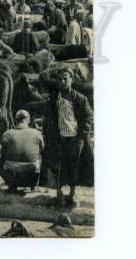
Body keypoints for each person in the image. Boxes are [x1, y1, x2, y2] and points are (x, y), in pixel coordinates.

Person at [43, 67, 93, 208]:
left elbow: (89, 116)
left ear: (71, 79)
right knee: (58, 166)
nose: (63, 81)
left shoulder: (80, 98)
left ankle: (72, 194)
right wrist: (48, 133)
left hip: (75, 138)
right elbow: (47, 117)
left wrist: (82, 133)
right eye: (60, 79)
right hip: (58, 138)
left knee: (74, 166)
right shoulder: (53, 98)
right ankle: (59, 194)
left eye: (65, 78)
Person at [0, 110, 44, 193]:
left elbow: (2, 153)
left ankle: (12, 185)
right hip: (31, 166)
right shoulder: (37, 133)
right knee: (39, 156)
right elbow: (42, 149)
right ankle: (34, 185)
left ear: (15, 120)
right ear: (28, 120)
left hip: (12, 166)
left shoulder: (7, 133)